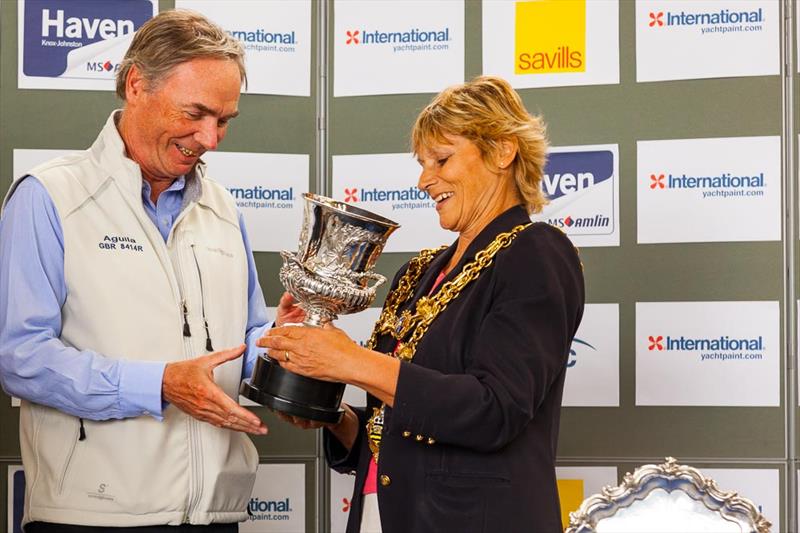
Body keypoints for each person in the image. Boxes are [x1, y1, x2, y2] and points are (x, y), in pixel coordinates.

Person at [0, 10, 303, 532]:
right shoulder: (49, 196)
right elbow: (20, 357)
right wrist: (158, 384)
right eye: (196, 113)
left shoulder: (225, 209)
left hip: (214, 514)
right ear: (136, 84)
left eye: (225, 119)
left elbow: (245, 337)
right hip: (92, 515)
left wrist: (280, 345)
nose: (211, 138)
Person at [259, 75, 585, 532]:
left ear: (503, 151)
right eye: (422, 163)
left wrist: (351, 361)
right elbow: (389, 434)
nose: (424, 179)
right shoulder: (419, 271)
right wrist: (329, 412)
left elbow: (495, 409)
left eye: (441, 159)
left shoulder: (535, 251)